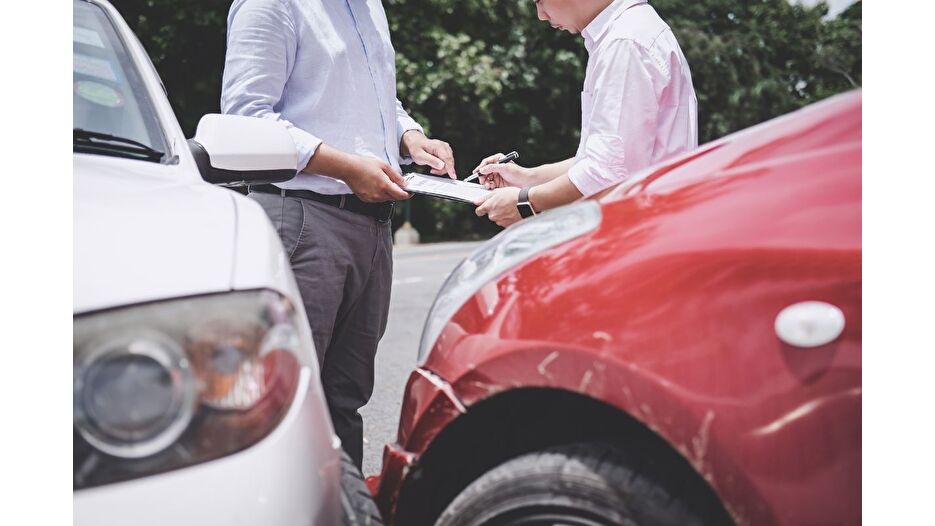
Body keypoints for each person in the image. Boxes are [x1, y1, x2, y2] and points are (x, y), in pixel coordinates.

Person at [220, 0, 456, 470]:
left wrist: (411, 138)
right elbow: (244, 117)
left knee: (344, 399)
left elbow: (374, 100)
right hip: (303, 219)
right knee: (287, 401)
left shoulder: (368, 6)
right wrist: (347, 168)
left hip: (371, 225)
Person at [474, 0, 697, 226]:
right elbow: (604, 161)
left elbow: (607, 172)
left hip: (643, 231)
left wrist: (526, 202)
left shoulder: (624, 42)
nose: (540, 15)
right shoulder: (627, 32)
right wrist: (527, 177)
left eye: (539, 1)